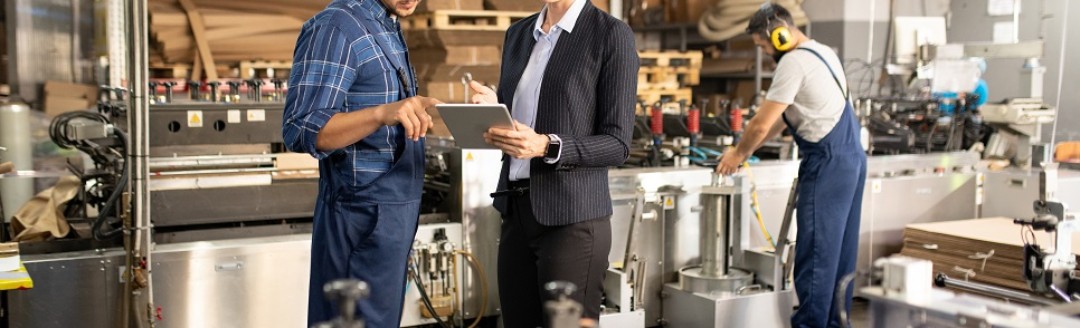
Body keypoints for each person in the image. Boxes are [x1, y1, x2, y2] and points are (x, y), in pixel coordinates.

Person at [467, 0, 639, 326]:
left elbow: (617, 145)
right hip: (516, 210)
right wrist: (494, 107)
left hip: (571, 220)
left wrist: (547, 146)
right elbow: (522, 122)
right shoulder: (518, 35)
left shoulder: (611, 35)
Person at [282, 0, 439, 327]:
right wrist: (381, 114)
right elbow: (301, 129)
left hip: (392, 220)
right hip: (358, 221)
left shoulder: (387, 24)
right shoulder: (336, 27)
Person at [714, 4, 867, 328]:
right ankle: (837, 324)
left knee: (816, 257)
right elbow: (783, 120)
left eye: (763, 45)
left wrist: (737, 155)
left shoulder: (793, 63)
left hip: (826, 163)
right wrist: (749, 148)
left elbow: (760, 123)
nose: (765, 52)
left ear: (779, 35)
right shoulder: (822, 52)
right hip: (851, 159)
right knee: (840, 257)